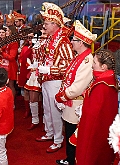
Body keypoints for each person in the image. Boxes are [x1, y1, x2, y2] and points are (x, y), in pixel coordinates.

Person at [54, 20, 97, 165]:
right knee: (70, 135)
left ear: (81, 42)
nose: (71, 41)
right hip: (71, 103)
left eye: (74, 39)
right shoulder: (79, 57)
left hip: (76, 104)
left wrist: (61, 97)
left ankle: (72, 161)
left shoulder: (86, 61)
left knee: (73, 136)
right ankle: (70, 159)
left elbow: (77, 88)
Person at [36, 2, 74, 153]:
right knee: (47, 109)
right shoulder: (51, 39)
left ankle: (58, 140)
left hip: (56, 81)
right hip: (46, 80)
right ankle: (49, 132)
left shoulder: (63, 41)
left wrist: (49, 69)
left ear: (55, 24)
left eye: (46, 23)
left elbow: (68, 66)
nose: (44, 26)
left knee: (55, 112)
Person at [75, 49, 119, 165]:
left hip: (94, 131)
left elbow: (93, 114)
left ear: (103, 66)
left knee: (89, 156)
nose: (92, 65)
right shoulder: (108, 80)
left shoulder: (101, 85)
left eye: (94, 63)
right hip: (104, 129)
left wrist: (82, 111)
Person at [0, 25, 18, 100]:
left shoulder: (14, 43)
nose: (6, 32)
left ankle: (12, 102)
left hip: (10, 66)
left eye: (7, 30)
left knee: (11, 85)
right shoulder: (6, 41)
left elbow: (12, 57)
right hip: (3, 65)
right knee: (4, 84)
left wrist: (1, 52)